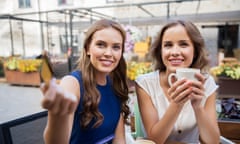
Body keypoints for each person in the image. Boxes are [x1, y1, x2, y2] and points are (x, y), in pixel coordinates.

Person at [40, 19, 130, 144]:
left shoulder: (115, 84)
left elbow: (119, 140)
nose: (109, 53)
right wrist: (57, 115)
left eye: (116, 47)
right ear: (87, 48)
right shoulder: (72, 83)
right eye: (101, 45)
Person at [135, 20, 220, 144]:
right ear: (160, 51)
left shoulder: (207, 83)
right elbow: (154, 140)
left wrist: (198, 107)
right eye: (168, 45)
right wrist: (177, 104)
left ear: (195, 50)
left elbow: (212, 142)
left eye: (183, 44)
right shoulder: (145, 84)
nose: (175, 52)